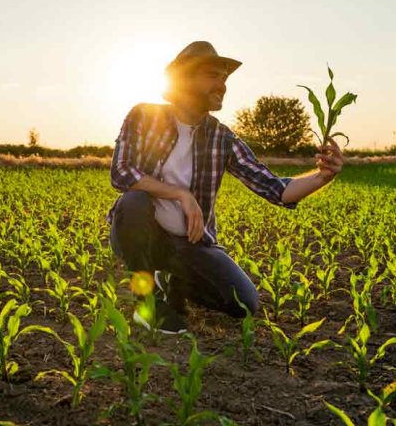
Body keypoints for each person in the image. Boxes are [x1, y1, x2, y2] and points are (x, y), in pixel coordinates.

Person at [106, 40, 344, 334]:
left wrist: (322, 177)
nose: (223, 84)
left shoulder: (222, 138)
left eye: (225, 78)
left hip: (188, 245)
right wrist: (181, 194)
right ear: (184, 79)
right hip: (140, 234)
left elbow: (274, 188)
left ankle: (175, 282)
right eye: (213, 76)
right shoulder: (144, 116)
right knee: (134, 202)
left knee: (244, 304)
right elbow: (121, 172)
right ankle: (145, 302)